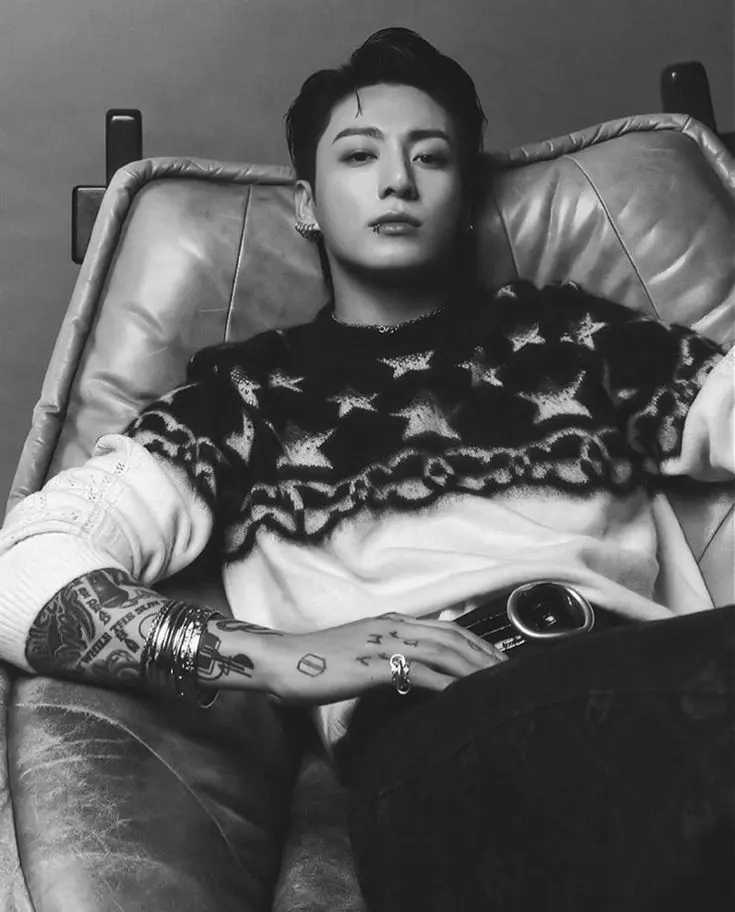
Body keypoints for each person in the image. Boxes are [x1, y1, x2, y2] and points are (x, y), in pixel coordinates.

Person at [0, 26, 733, 911]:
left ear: (466, 200)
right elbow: (23, 572)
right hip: (433, 737)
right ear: (307, 204)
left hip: (643, 681)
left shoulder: (568, 335)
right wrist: (276, 657)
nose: (397, 181)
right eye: (358, 155)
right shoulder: (244, 394)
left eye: (431, 156)